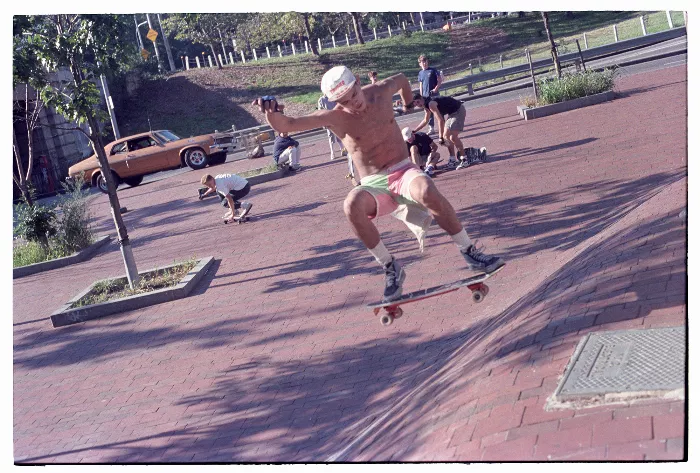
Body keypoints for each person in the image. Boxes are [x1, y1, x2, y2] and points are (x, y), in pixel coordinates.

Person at [252, 65, 504, 302]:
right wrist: (270, 114)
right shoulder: (334, 117)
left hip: (403, 171)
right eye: (345, 101)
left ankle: (469, 251)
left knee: (426, 189)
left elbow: (404, 79)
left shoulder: (381, 92)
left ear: (358, 83)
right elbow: (289, 124)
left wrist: (407, 103)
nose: (353, 103)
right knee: (351, 205)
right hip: (373, 183)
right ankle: (390, 266)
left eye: (354, 95)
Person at [412, 93, 475, 170]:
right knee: (446, 137)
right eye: (415, 104)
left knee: (452, 137)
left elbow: (440, 120)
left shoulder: (431, 104)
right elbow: (425, 120)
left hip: (458, 111)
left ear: (421, 98)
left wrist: (440, 136)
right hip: (451, 114)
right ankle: (452, 159)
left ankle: (465, 160)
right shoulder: (426, 106)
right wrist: (414, 130)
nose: (418, 105)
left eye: (418, 102)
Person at [417, 55, 443, 135]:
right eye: (422, 62)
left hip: (434, 95)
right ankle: (431, 128)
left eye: (425, 61)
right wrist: (421, 96)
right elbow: (421, 85)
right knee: (428, 112)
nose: (424, 63)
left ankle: (443, 125)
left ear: (427, 62)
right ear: (420, 64)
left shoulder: (433, 70)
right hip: (425, 97)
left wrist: (436, 89)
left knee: (439, 110)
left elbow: (439, 80)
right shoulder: (420, 73)